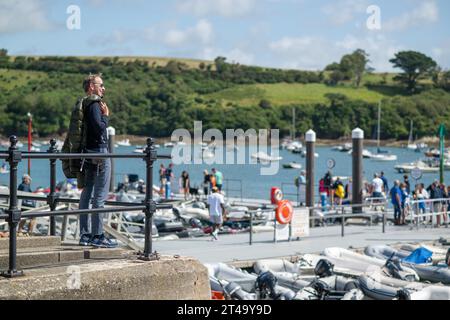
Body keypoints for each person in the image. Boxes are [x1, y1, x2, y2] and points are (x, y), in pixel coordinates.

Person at [78, 73, 117, 248]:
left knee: (87, 193)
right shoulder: (94, 105)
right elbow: (100, 128)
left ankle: (85, 234)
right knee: (100, 195)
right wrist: (106, 116)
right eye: (101, 85)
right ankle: (97, 236)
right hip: (99, 153)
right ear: (91, 86)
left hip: (88, 152)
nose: (104, 88)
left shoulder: (84, 104)